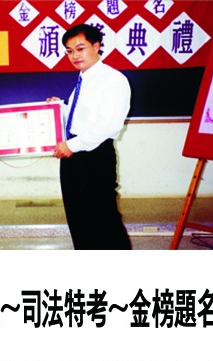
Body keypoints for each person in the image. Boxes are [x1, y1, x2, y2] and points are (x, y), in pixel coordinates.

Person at [48, 24, 131, 250]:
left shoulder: (113, 80)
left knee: (103, 219)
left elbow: (109, 123)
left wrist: (73, 145)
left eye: (80, 48)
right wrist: (60, 108)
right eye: (69, 51)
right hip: (73, 154)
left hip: (94, 155)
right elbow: (82, 117)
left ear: (96, 46)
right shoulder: (83, 79)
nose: (75, 55)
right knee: (79, 219)